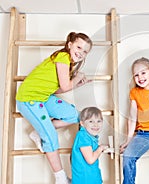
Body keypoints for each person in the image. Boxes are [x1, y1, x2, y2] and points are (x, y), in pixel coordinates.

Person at [16, 32, 93, 184]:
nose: (81, 52)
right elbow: (65, 86)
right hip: (29, 98)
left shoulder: (68, 63)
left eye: (85, 51)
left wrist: (76, 84)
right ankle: (60, 178)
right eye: (79, 47)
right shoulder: (63, 57)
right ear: (70, 45)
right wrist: (76, 78)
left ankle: (39, 131)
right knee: (50, 137)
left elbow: (56, 90)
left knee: (75, 115)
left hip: (44, 97)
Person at [71, 107, 108, 184]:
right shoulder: (83, 136)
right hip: (86, 179)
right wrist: (100, 148)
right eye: (91, 121)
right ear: (82, 123)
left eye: (99, 121)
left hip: (91, 177)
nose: (96, 124)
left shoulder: (89, 136)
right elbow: (90, 160)